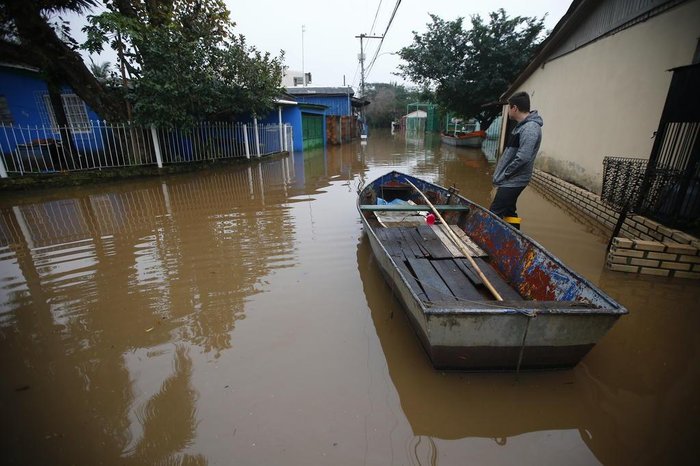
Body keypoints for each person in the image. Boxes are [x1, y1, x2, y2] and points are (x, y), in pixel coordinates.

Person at [490, 91, 543, 220]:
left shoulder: (530, 128)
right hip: (511, 179)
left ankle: (485, 240)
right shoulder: (521, 127)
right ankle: (514, 238)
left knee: (493, 213)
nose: (508, 111)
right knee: (509, 212)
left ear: (515, 108)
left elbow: (523, 157)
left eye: (509, 107)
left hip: (513, 180)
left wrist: (506, 174)